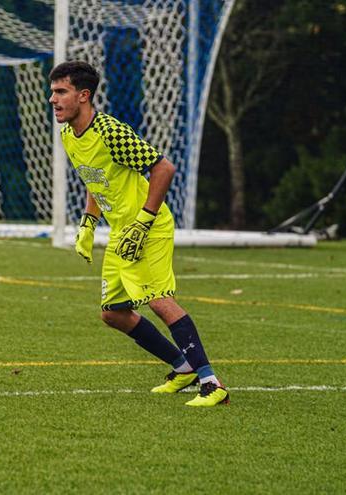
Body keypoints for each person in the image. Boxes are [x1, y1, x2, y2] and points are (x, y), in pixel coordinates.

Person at [49, 61, 228, 407]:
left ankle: (212, 383)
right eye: (53, 91)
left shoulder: (110, 133)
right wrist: (88, 222)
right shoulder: (69, 133)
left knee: (159, 301)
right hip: (121, 230)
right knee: (113, 313)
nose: (53, 99)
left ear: (83, 96)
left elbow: (164, 168)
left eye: (61, 92)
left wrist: (144, 220)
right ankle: (183, 367)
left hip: (148, 226)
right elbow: (96, 179)